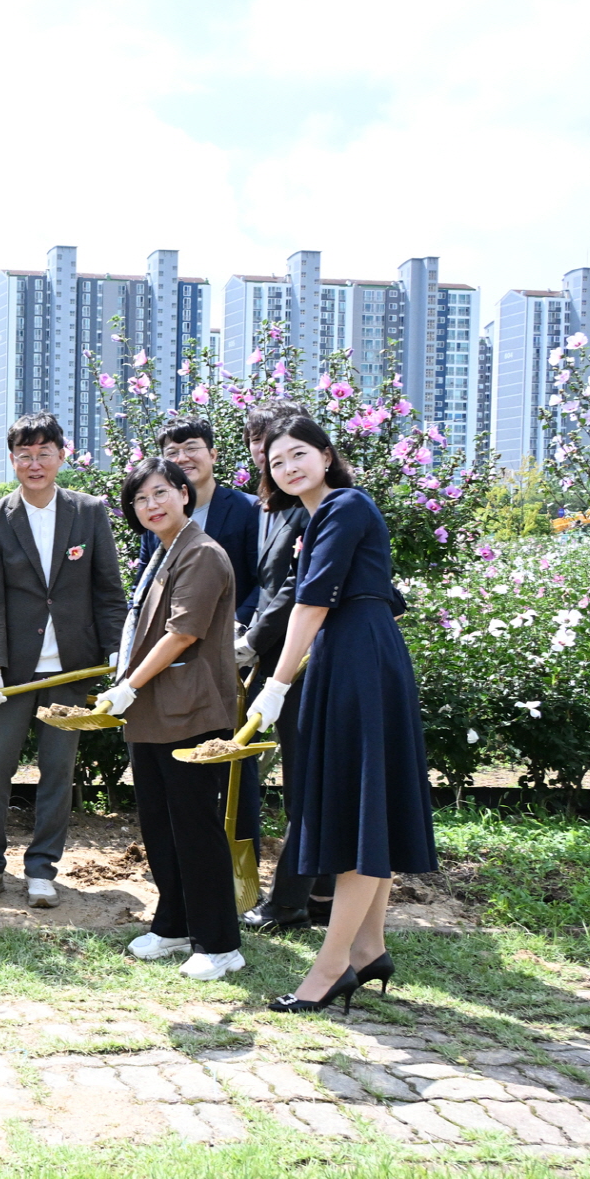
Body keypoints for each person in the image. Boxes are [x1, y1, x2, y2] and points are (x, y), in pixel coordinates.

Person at [249, 416, 437, 1013]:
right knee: (368, 809)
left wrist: (276, 684)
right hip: (356, 655)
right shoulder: (316, 517)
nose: (288, 468)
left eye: (299, 454)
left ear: (326, 455)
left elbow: (312, 601)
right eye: (277, 463)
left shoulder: (344, 505)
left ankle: (330, 969)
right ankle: (368, 949)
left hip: (357, 657)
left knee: (359, 816)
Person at [0, 413, 126, 907]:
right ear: (13, 460)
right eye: (25, 455)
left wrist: (119, 651)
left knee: (58, 769)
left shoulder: (89, 511)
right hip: (11, 668)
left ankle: (41, 869)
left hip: (72, 665)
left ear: (62, 455)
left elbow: (107, 588)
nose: (35, 464)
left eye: (44, 453)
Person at [107, 457, 245, 981]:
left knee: (194, 825)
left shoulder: (202, 553)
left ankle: (220, 943)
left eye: (160, 493)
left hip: (187, 711)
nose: (151, 506)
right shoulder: (164, 553)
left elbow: (183, 633)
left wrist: (129, 685)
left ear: (184, 494)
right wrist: (129, 687)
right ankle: (174, 925)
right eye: (141, 499)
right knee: (160, 825)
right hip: (151, 712)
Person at [236, 400, 331, 932]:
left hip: (307, 660)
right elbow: (267, 585)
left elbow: (298, 590)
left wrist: (254, 642)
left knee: (305, 784)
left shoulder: (314, 506)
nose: (267, 454)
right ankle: (317, 894)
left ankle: (290, 901)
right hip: (278, 655)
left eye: (279, 444)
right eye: (259, 444)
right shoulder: (269, 506)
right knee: (303, 782)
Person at [137, 418, 260, 620]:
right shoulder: (156, 516)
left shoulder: (247, 509)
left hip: (231, 638)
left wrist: (236, 630)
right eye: (172, 453)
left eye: (191, 448)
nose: (182, 458)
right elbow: (144, 585)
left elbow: (263, 582)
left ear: (213, 455)